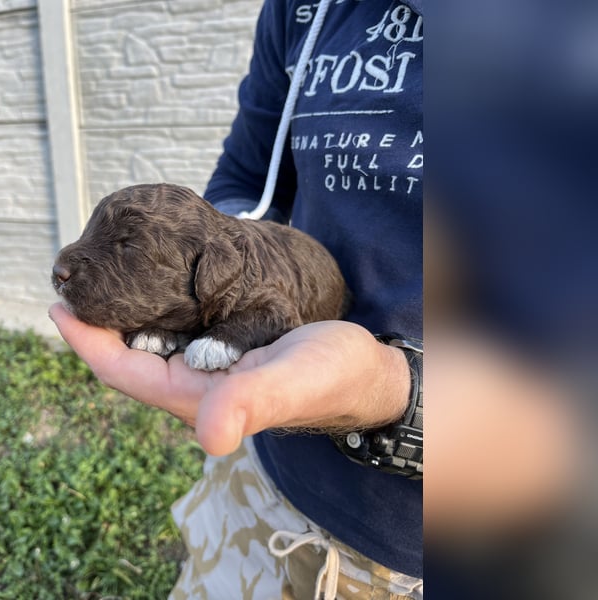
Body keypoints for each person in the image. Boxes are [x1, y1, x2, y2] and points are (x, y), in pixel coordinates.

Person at [50, 0, 424, 597]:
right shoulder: (302, 9)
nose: (67, 263)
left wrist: (393, 392)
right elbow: (246, 178)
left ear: (214, 272)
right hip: (268, 470)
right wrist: (182, 297)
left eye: (123, 251)